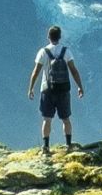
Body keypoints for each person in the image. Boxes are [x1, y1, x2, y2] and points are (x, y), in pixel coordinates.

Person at [26, 24, 84, 156]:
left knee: (47, 119)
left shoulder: (43, 52)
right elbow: (74, 71)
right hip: (63, 90)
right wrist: (80, 86)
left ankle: (46, 147)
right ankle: (69, 145)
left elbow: (36, 72)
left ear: (48, 37)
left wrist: (31, 88)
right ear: (60, 37)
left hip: (47, 90)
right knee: (66, 119)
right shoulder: (66, 51)